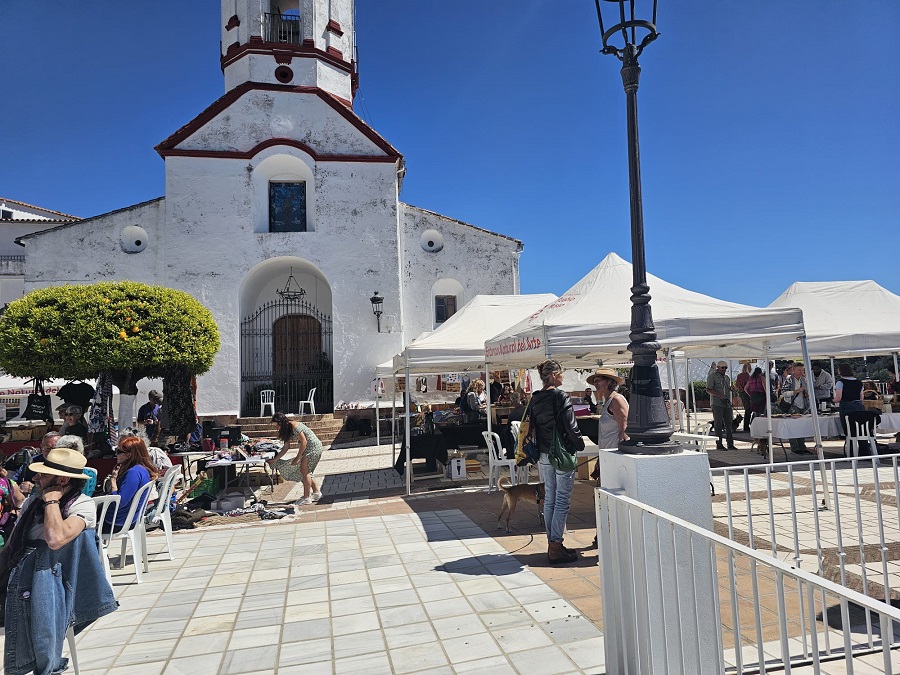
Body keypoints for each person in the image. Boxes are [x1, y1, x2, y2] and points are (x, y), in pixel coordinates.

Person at [1, 448, 117, 674]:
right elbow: (11, 546)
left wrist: (52, 501)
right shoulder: (32, 502)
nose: (35, 478)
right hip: (23, 577)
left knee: (42, 572)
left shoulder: (82, 505)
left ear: (62, 480)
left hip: (53, 584)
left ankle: (46, 665)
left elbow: (55, 540)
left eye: (43, 475)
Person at [530, 359, 584, 565]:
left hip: (543, 453)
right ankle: (555, 545)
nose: (563, 376)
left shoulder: (535, 398)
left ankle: (554, 544)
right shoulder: (560, 396)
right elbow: (571, 426)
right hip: (561, 453)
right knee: (561, 499)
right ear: (553, 375)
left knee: (550, 498)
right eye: (561, 373)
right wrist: (579, 445)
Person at [269, 412, 324, 506]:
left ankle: (306, 498)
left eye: (277, 426)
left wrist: (297, 458)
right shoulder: (286, 430)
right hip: (309, 448)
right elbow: (286, 447)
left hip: (313, 447)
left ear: (281, 423)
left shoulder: (294, 425)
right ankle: (316, 493)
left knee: (304, 471)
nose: (276, 428)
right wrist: (275, 459)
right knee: (306, 471)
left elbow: (304, 442)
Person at [104, 436, 158, 531]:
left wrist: (113, 480)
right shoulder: (142, 469)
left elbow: (119, 503)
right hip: (129, 518)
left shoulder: (133, 473)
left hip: (117, 522)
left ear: (129, 455)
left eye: (118, 452)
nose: (116, 455)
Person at [587, 368, 628, 451]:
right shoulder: (608, 400)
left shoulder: (616, 400)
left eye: (598, 380)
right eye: (594, 381)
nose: (595, 383)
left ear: (609, 381)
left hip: (616, 454)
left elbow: (625, 430)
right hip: (607, 453)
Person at [13, 431, 61, 499]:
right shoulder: (32, 462)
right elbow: (15, 482)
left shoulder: (68, 465)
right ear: (41, 447)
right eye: (47, 448)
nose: (51, 452)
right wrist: (22, 486)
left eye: (55, 449)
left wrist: (35, 487)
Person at [707, 361, 737, 450]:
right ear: (718, 368)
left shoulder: (727, 378)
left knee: (729, 423)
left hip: (727, 404)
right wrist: (719, 396)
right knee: (718, 424)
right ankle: (719, 444)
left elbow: (728, 389)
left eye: (725, 368)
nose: (724, 369)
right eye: (722, 367)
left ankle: (730, 444)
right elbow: (708, 389)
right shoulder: (712, 377)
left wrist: (732, 389)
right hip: (717, 403)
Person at [782, 363, 812, 455]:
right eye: (799, 370)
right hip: (793, 405)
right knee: (793, 427)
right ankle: (795, 447)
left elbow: (809, 390)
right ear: (793, 370)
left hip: (803, 405)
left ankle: (802, 446)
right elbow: (784, 393)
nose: (801, 372)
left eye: (802, 370)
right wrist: (796, 391)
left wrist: (807, 393)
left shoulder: (804, 379)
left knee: (802, 427)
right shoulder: (789, 379)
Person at [735, 363, 752, 432]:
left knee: (747, 409)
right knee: (748, 410)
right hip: (747, 394)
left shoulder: (739, 375)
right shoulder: (748, 376)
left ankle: (746, 425)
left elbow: (736, 385)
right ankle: (746, 426)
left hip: (741, 393)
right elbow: (749, 387)